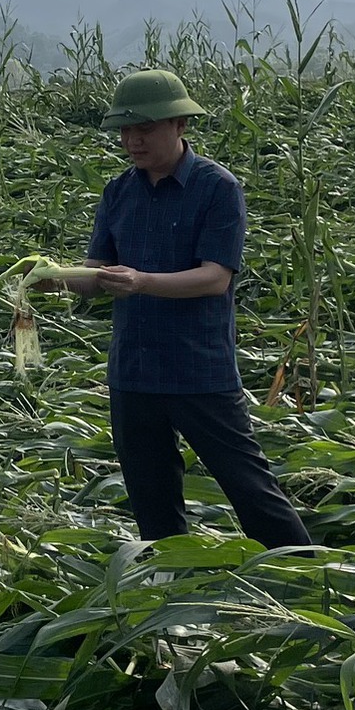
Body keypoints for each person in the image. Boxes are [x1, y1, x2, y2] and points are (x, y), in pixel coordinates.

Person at [32, 69, 312, 551]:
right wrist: (51, 280)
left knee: (249, 488)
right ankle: (171, 596)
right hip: (133, 371)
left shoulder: (216, 188)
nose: (132, 140)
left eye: (144, 129)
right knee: (151, 498)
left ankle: (308, 574)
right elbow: (97, 276)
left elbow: (214, 277)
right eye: (124, 130)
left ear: (180, 126)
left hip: (197, 368)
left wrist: (141, 282)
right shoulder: (119, 191)